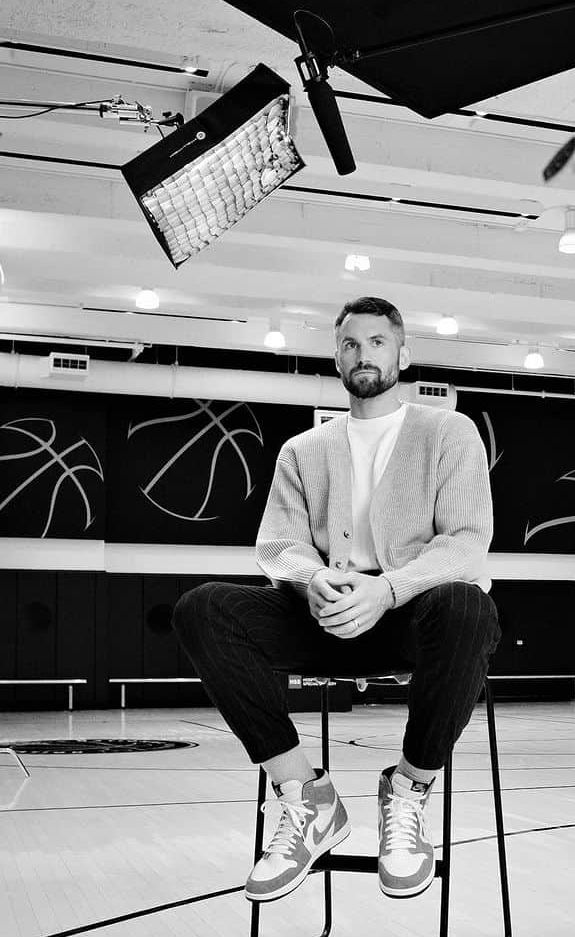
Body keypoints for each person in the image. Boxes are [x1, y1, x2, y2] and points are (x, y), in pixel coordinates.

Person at [172, 296, 500, 905]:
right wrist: (311, 580)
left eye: (378, 341)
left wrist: (389, 589)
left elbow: (466, 544)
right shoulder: (304, 449)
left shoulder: (449, 432)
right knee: (203, 608)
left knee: (469, 607)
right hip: (324, 613)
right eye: (351, 343)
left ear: (403, 353)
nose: (364, 354)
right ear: (337, 356)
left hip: (410, 615)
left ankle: (407, 791)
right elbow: (277, 545)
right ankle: (305, 797)